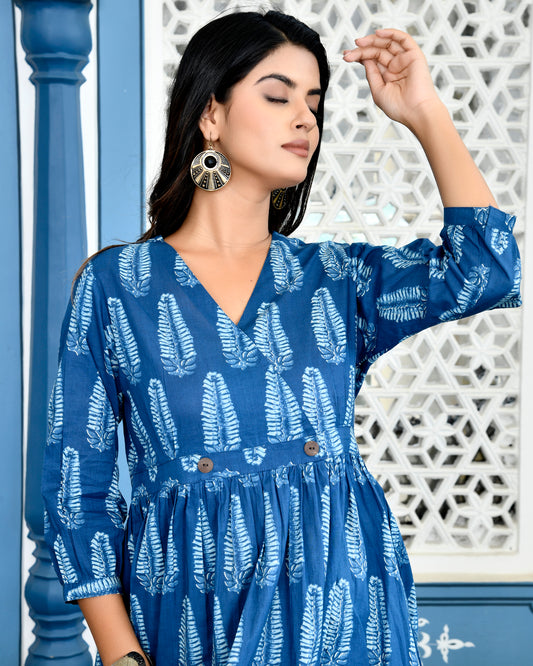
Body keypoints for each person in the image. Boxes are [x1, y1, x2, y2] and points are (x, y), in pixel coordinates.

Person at [42, 9, 521, 666]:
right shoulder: (117, 286)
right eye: (278, 96)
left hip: (342, 612)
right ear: (210, 115)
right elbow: (79, 490)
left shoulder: (336, 280)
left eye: (314, 102)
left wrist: (424, 112)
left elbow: (485, 272)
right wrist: (121, 655)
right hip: (191, 614)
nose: (305, 119)